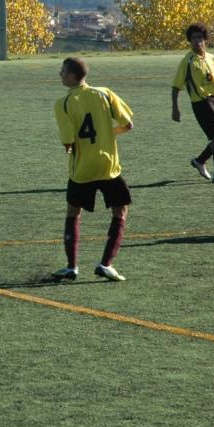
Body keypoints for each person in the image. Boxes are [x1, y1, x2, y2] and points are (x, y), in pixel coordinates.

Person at [51, 57, 134, 282]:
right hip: (109, 166)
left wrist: (74, 147)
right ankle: (106, 264)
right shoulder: (105, 93)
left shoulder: (64, 103)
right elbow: (128, 124)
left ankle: (71, 266)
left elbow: (68, 142)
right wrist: (107, 134)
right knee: (120, 211)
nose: (60, 75)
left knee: (73, 212)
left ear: (71, 75)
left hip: (82, 168)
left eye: (62, 71)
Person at [171, 23, 214, 184]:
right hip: (201, 102)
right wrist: (175, 108)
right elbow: (176, 86)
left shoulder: (211, 57)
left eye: (200, 38)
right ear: (189, 41)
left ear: (205, 40)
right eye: (193, 38)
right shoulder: (187, 61)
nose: (197, 41)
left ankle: (200, 161)